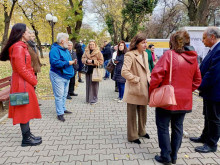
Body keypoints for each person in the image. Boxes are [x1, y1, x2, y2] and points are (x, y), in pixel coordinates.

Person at [149, 30, 201, 164]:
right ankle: (174, 156)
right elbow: (197, 80)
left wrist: (153, 91)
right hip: (184, 100)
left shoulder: (168, 55)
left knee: (163, 126)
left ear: (172, 41)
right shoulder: (193, 58)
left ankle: (165, 156)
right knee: (178, 127)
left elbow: (156, 76)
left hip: (166, 98)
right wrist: (187, 91)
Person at [0, 23, 42, 146]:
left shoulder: (21, 46)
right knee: (23, 110)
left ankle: (28, 135)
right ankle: (26, 139)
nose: (30, 34)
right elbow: (21, 69)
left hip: (22, 82)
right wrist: (34, 80)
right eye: (28, 32)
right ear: (22, 33)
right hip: (22, 83)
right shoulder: (18, 47)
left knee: (26, 109)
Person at [190, 27, 220, 153]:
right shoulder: (213, 49)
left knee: (214, 118)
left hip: (215, 92)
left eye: (204, 38)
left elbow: (213, 73)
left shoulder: (218, 50)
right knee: (207, 116)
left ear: (212, 37)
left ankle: (212, 144)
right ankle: (205, 136)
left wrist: (199, 85)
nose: (202, 41)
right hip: (209, 92)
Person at [121, 33, 151, 144]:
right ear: (136, 44)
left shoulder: (146, 54)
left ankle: (142, 131)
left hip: (145, 87)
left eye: (146, 42)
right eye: (143, 42)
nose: (145, 44)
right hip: (134, 87)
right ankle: (132, 136)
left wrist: (149, 78)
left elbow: (147, 70)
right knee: (132, 113)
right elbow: (124, 72)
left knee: (143, 111)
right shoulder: (130, 55)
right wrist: (136, 79)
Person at [49, 33, 75, 122]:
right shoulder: (54, 50)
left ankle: (63, 108)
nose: (68, 42)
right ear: (62, 41)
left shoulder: (65, 50)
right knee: (59, 95)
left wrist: (71, 63)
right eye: (67, 40)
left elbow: (68, 60)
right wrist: (68, 63)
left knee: (64, 94)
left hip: (66, 76)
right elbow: (55, 63)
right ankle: (60, 113)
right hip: (58, 75)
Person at [82, 40, 104, 105]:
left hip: (95, 71)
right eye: (90, 44)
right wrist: (86, 61)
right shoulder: (86, 51)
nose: (91, 46)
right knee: (88, 85)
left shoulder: (98, 52)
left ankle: (94, 99)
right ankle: (88, 99)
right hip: (88, 70)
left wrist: (93, 61)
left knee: (94, 85)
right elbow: (82, 59)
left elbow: (101, 61)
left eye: (93, 44)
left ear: (95, 45)